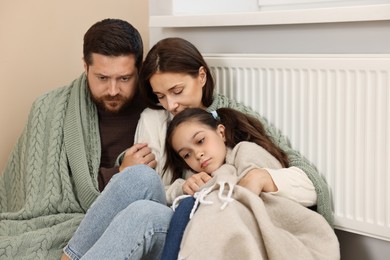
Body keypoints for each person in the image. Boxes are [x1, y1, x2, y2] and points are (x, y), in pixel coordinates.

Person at [58, 37, 333, 259]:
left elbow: (299, 173)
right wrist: (178, 186)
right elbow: (153, 190)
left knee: (144, 213)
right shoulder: (153, 119)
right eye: (160, 96)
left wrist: (262, 178)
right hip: (173, 207)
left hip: (201, 223)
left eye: (177, 91)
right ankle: (70, 257)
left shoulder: (232, 118)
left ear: (201, 76)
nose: (171, 105)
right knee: (137, 177)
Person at [0, 18, 171, 259]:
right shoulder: (50, 108)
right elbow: (37, 198)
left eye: (124, 78)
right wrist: (119, 174)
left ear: (139, 69)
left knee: (140, 181)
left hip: (139, 214)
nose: (113, 90)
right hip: (80, 221)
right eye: (102, 78)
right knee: (135, 178)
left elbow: (209, 105)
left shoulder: (161, 102)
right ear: (85, 66)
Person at [161, 107, 339, 259]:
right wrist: (184, 187)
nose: (197, 154)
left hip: (284, 231)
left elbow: (255, 195)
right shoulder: (201, 175)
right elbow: (168, 191)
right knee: (189, 205)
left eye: (200, 141)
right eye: (187, 155)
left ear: (221, 132)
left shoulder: (246, 151)